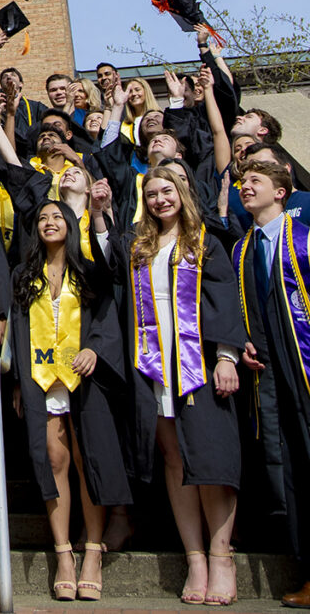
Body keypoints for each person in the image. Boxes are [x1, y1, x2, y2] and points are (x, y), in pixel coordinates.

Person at [118, 166, 245, 605]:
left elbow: (225, 296)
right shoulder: (140, 247)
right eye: (151, 194)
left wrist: (227, 356)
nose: (159, 200)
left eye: (166, 191)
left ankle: (221, 555)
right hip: (155, 368)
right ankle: (194, 557)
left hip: (200, 366)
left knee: (209, 459)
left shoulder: (204, 241)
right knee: (174, 460)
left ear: (182, 192)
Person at [8, 201, 128, 601]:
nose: (48, 222)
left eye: (57, 216)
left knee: (86, 458)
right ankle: (64, 555)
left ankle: (92, 550)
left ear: (71, 225)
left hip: (83, 379)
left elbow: (109, 309)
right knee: (53, 461)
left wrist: (95, 348)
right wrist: (19, 385)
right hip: (42, 382)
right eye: (42, 218)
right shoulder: (24, 276)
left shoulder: (89, 270)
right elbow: (19, 335)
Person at [232, 160, 310, 607]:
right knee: (294, 466)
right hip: (271, 367)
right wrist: (246, 339)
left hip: (304, 359)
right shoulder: (245, 247)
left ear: (282, 192)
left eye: (256, 182)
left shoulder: (302, 238)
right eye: (243, 183)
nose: (246, 188)